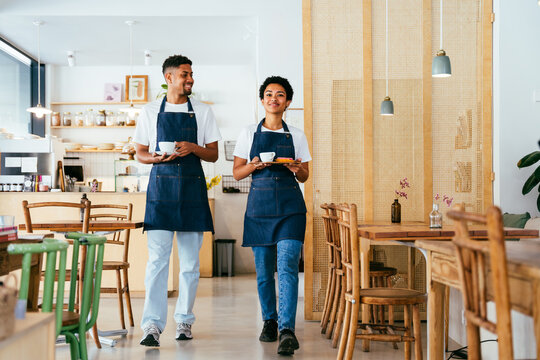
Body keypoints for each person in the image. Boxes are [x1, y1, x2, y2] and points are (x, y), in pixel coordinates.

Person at [134, 54, 221, 347]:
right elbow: (140, 153)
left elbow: (213, 154)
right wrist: (157, 158)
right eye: (185, 74)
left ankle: (184, 320)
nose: (190, 79)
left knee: (189, 265)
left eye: (191, 74)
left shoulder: (204, 112)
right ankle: (152, 326)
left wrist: (194, 147)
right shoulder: (148, 111)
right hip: (160, 194)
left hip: (192, 193)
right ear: (169, 77)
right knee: (157, 263)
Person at [232, 76, 311, 356]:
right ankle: (269, 320)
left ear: (287, 102)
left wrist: (295, 167)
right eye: (268, 94)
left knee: (287, 266)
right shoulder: (248, 134)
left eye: (280, 95)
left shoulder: (297, 135)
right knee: (264, 272)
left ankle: (287, 330)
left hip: (291, 209)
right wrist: (253, 165)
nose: (273, 98)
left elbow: (305, 174)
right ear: (262, 100)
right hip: (259, 209)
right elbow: (237, 172)